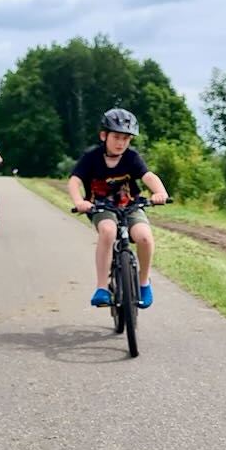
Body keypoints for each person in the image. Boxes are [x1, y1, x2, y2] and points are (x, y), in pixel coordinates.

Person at [68, 108, 169, 309]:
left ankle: (144, 282)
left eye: (126, 138)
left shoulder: (131, 157)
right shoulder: (91, 157)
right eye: (116, 137)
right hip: (101, 207)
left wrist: (160, 192)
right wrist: (80, 201)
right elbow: (74, 181)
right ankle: (102, 288)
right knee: (108, 231)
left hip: (130, 206)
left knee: (145, 237)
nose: (121, 142)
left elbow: (148, 176)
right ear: (104, 135)